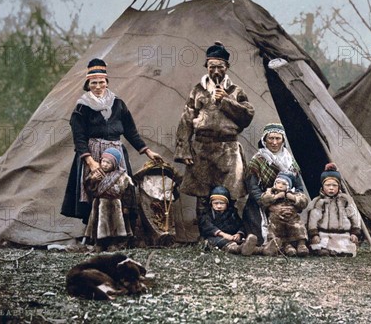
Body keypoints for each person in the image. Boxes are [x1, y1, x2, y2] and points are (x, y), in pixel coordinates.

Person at [61, 58, 163, 226]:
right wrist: (90, 162)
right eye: (94, 83)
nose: (98, 87)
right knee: (94, 190)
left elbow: (130, 131)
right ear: (88, 85)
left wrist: (147, 151)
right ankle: (95, 234)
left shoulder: (118, 104)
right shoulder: (82, 107)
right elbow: (79, 138)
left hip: (116, 153)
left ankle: (120, 232)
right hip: (93, 153)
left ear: (107, 83)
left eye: (101, 82)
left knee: (121, 190)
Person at [174, 41, 255, 217]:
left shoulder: (235, 91)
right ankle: (206, 234)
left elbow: (247, 116)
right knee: (202, 194)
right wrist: (184, 150)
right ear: (206, 67)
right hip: (202, 147)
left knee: (229, 193)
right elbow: (186, 120)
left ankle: (230, 232)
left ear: (227, 67)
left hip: (228, 149)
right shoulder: (198, 90)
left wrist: (226, 100)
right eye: (212, 67)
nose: (216, 71)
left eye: (220, 67)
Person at [243, 123, 304, 244]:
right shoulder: (257, 160)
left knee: (293, 232)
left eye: (278, 138)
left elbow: (299, 187)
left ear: (283, 140)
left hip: (285, 203)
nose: (274, 142)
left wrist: (293, 199)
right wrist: (268, 202)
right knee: (260, 237)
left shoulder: (290, 161)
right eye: (271, 138)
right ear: (265, 140)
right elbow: (252, 187)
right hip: (261, 203)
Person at [84, 147, 135, 251]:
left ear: (115, 164)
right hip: (99, 204)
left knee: (115, 225)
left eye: (108, 163)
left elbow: (128, 192)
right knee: (98, 224)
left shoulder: (122, 176)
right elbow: (89, 189)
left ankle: (115, 244)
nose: (105, 164)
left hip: (115, 204)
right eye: (103, 161)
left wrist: (126, 207)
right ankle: (99, 243)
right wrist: (92, 180)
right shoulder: (96, 173)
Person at [307, 163, 362, 257]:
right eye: (328, 185)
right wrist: (314, 234)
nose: (331, 188)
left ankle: (341, 251)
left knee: (346, 249)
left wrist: (355, 233)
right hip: (324, 235)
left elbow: (354, 217)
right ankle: (324, 250)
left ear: (339, 186)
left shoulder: (346, 200)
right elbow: (313, 219)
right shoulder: (318, 201)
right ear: (323, 186)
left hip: (343, 235)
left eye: (334, 185)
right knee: (319, 247)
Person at [260, 172, 310, 257]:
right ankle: (287, 246)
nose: (280, 185)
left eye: (283, 184)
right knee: (277, 230)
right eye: (278, 183)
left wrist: (293, 198)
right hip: (277, 218)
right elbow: (264, 200)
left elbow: (304, 202)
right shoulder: (270, 192)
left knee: (298, 227)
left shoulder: (293, 193)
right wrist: (276, 197)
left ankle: (301, 244)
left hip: (292, 217)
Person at [198, 186, 258, 255]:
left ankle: (262, 250)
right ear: (211, 203)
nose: (219, 206)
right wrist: (224, 235)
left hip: (231, 237)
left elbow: (240, 225)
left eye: (222, 203)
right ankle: (238, 249)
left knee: (243, 242)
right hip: (214, 238)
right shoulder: (207, 214)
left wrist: (238, 234)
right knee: (218, 242)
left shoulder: (232, 213)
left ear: (227, 204)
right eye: (216, 203)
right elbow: (208, 226)